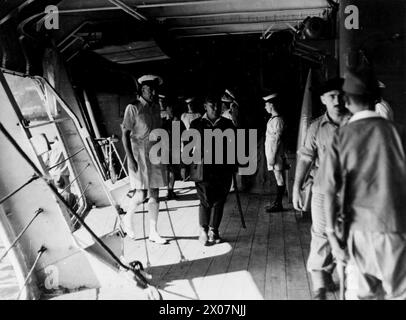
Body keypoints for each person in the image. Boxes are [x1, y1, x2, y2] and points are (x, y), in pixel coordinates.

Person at [321, 68, 406, 300]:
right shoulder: (400, 133)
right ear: (376, 99)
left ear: (346, 101)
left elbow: (327, 190)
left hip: (358, 232)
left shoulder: (341, 137)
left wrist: (331, 236)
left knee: (361, 296)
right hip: (397, 228)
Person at [292, 78, 351, 299]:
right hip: (322, 191)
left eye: (340, 95)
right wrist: (297, 187)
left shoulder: (355, 123)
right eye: (331, 96)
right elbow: (306, 159)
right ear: (323, 100)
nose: (337, 100)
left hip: (352, 192)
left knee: (348, 236)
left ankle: (338, 276)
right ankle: (319, 288)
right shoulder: (316, 127)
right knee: (321, 236)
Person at [121, 74, 168, 244]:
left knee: (155, 192)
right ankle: (127, 218)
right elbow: (125, 135)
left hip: (155, 154)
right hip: (139, 156)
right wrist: (131, 159)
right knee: (141, 195)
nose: (154, 92)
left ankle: (153, 232)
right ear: (142, 89)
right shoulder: (132, 108)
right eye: (150, 89)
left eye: (155, 89)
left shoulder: (156, 107)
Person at [189, 95, 236, 246]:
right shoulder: (196, 124)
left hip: (222, 169)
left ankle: (214, 230)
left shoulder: (228, 124)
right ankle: (203, 229)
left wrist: (235, 165)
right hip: (203, 169)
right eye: (211, 105)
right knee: (204, 199)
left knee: (219, 200)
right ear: (205, 106)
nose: (215, 108)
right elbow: (188, 147)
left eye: (217, 105)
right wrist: (186, 166)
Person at [263, 92, 287, 212]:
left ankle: (278, 204)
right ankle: (277, 203)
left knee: (279, 178)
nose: (265, 107)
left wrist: (272, 157)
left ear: (271, 105)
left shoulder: (277, 120)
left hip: (276, 155)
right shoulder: (273, 119)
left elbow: (277, 140)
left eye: (266, 104)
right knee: (278, 177)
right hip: (273, 154)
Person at [159, 94, 186, 200]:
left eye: (171, 109)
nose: (170, 110)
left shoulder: (177, 122)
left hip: (173, 149)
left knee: (171, 171)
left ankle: (170, 191)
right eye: (168, 109)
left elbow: (184, 138)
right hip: (166, 149)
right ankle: (170, 191)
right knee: (169, 171)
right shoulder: (165, 122)